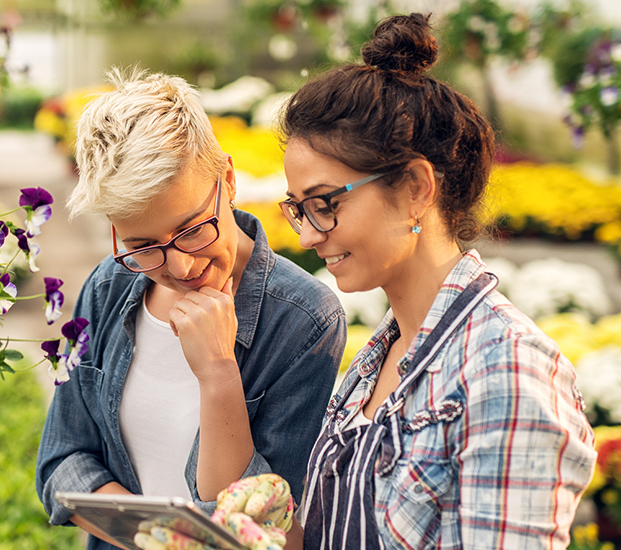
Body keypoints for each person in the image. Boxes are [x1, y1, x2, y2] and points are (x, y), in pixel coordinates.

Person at [138, 13, 595, 550]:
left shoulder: (507, 372)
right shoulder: (377, 358)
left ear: (417, 187)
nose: (307, 236)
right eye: (297, 209)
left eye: (325, 204)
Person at [35, 68, 348, 550]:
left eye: (192, 228)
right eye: (143, 244)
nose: (180, 266)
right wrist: (150, 540)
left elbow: (261, 529)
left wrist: (220, 373)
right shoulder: (110, 284)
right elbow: (61, 460)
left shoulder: (303, 320)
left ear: (227, 178)